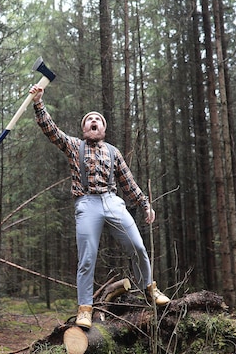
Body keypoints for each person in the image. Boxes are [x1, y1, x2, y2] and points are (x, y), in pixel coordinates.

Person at [29, 84, 170, 329]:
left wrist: (146, 204)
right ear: (84, 128)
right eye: (89, 120)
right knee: (87, 258)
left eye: (98, 120)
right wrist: (39, 103)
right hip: (87, 203)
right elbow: (52, 132)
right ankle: (85, 308)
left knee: (138, 246)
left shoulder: (114, 152)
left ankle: (150, 289)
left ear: (103, 129)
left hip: (113, 202)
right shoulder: (74, 146)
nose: (93, 121)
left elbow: (128, 181)